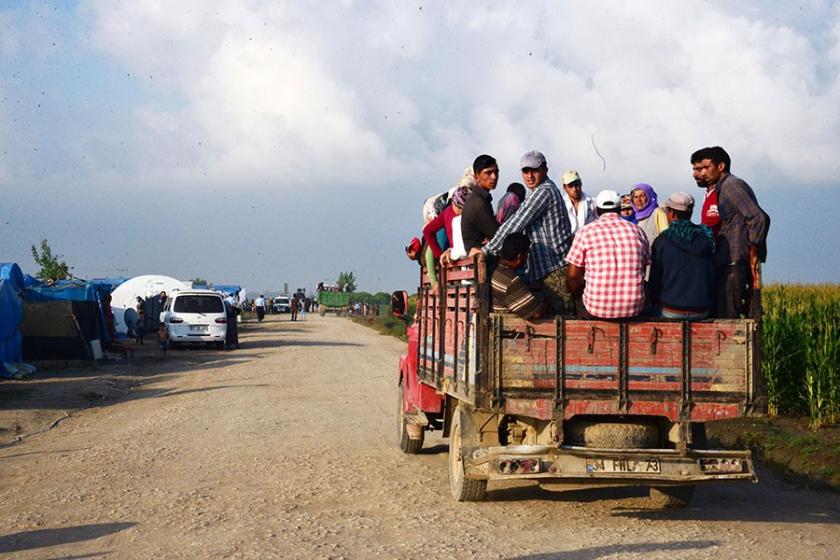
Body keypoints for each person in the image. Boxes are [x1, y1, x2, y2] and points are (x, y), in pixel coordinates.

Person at [481, 151, 573, 314]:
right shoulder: (537, 192)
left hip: (554, 271)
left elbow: (516, 223)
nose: (529, 175)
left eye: (534, 170)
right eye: (525, 171)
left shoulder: (544, 191)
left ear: (545, 169)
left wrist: (486, 251)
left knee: (560, 326)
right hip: (545, 272)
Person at [691, 146, 769, 318]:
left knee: (727, 316)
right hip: (726, 260)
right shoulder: (718, 189)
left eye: (704, 168)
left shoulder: (731, 185)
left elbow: (758, 218)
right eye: (696, 169)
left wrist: (753, 250)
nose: (698, 174)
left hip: (734, 261)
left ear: (721, 166)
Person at [566, 190, 650, 319]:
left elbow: (572, 276)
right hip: (634, 307)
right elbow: (642, 269)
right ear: (618, 209)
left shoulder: (585, 232)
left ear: (597, 211)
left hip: (596, 308)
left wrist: (579, 293)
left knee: (577, 300)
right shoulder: (638, 231)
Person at [648, 192, 715, 320]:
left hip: (671, 310)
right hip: (702, 310)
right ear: (690, 213)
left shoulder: (661, 241)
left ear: (671, 213)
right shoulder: (706, 237)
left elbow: (654, 284)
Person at [491, 233, 549, 319]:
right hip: (512, 329)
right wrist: (547, 302)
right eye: (527, 254)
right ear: (520, 257)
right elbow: (536, 313)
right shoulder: (510, 279)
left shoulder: (498, 270)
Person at [460, 154, 500, 253]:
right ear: (476, 177)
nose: (494, 177)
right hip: (483, 262)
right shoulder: (478, 203)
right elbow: (498, 235)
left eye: (496, 172)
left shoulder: (480, 199)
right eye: (488, 173)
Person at [423, 186, 470, 263]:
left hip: (467, 257)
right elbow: (427, 231)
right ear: (453, 202)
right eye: (459, 208)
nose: (461, 211)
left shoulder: (467, 214)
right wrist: (439, 255)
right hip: (456, 261)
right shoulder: (447, 213)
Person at [630, 183, 669, 247]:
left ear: (649, 197)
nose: (638, 200)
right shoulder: (636, 218)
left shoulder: (658, 212)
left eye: (642, 196)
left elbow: (666, 236)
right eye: (635, 197)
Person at [561, 170, 597, 235]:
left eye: (577, 185)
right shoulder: (561, 204)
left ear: (581, 184)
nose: (574, 189)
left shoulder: (592, 202)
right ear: (564, 187)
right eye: (570, 186)